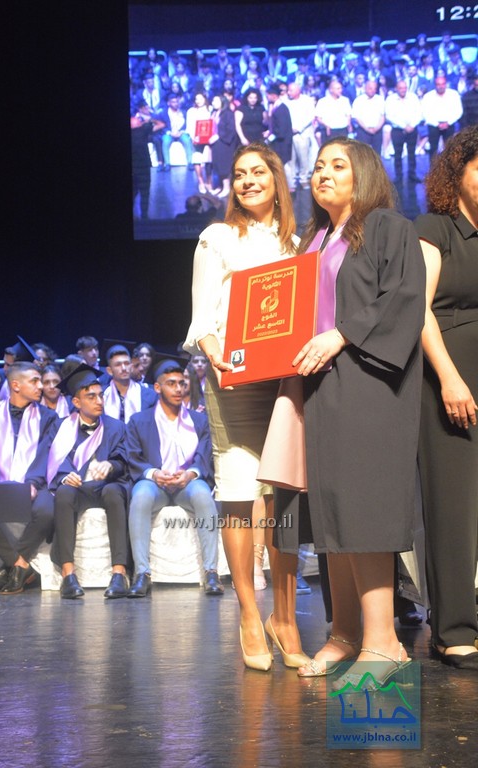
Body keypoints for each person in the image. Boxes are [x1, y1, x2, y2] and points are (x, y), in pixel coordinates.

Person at [280, 138, 426, 686]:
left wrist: (340, 335)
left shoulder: (388, 227)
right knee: (331, 510)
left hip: (369, 380)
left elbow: (403, 298)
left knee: (363, 508)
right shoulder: (314, 239)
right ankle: (344, 633)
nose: (323, 173)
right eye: (318, 166)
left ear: (363, 174)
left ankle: (384, 641)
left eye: (337, 165)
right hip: (319, 383)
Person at [184, 142, 310, 671]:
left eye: (259, 172)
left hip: (286, 383)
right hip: (233, 382)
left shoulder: (298, 244)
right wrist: (216, 355)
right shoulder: (217, 237)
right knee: (238, 495)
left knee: (283, 500)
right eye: (239, 174)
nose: (248, 181)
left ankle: (286, 617)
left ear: (277, 180)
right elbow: (202, 320)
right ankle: (249, 614)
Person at [414, 127, 478, 670]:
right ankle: (452, 629)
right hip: (450, 379)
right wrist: (451, 378)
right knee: (453, 506)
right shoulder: (436, 228)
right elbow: (419, 310)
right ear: (457, 174)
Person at [126, 358, 224, 598]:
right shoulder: (140, 420)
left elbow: (205, 456)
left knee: (203, 495)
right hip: (155, 483)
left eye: (181, 383)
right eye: (171, 384)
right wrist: (154, 473)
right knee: (140, 495)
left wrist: (190, 473)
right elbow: (133, 457)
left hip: (186, 483)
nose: (179, 389)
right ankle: (141, 573)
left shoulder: (198, 420)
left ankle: (211, 572)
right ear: (157, 387)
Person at [0, 362, 58, 593]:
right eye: (34, 381)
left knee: (46, 511)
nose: (41, 386)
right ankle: (18, 563)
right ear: (16, 385)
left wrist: (33, 482)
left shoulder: (48, 417)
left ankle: (14, 566)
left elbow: (47, 453)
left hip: (36, 484)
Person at [47, 364, 130, 600]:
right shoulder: (61, 427)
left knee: (115, 493)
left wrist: (110, 465)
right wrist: (65, 475)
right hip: (78, 488)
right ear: (76, 402)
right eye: (91, 396)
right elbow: (52, 459)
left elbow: (123, 459)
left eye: (101, 395)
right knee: (64, 493)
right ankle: (68, 574)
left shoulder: (115, 426)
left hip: (105, 486)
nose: (99, 401)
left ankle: (119, 573)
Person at [102, 344, 156, 423]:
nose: (124, 368)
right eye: (118, 365)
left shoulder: (150, 395)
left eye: (126, 363)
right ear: (109, 371)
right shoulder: (102, 395)